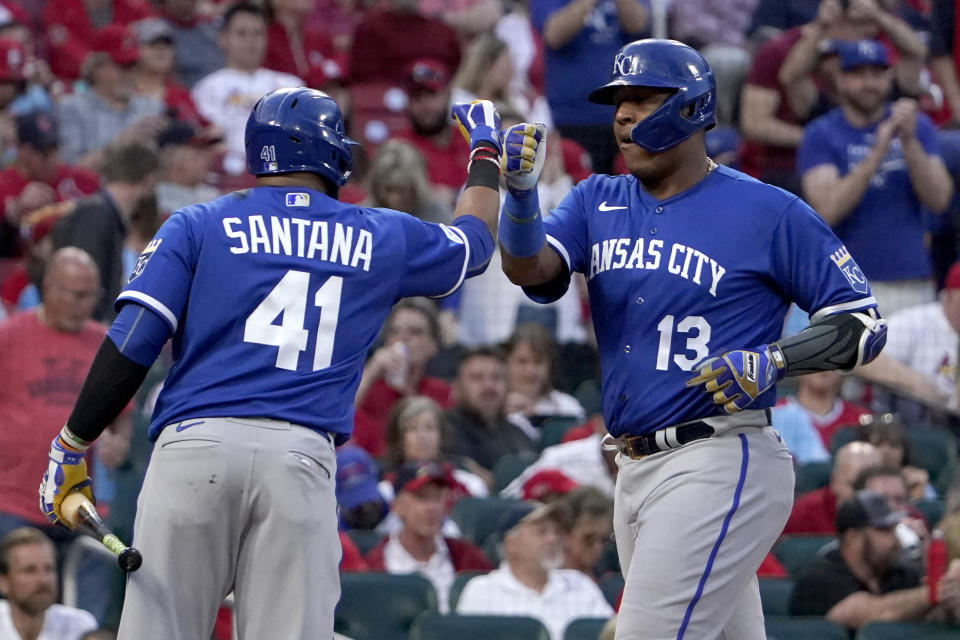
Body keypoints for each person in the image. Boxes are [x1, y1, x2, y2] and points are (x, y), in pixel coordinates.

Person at [36, 88, 520, 639]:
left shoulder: (197, 222)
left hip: (195, 450)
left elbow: (134, 340)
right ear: (335, 155)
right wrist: (484, 152)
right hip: (299, 459)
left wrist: (74, 441)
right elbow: (474, 245)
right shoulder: (381, 231)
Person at [496, 38, 888, 639]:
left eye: (642, 98)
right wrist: (520, 198)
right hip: (633, 468)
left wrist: (775, 360)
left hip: (718, 459)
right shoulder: (596, 198)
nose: (623, 114)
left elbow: (863, 322)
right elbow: (530, 270)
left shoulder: (766, 210)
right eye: (618, 101)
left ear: (689, 108)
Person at [798, 39, 953, 317]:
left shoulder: (917, 126)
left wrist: (909, 142)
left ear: (889, 77)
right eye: (858, 74)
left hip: (912, 281)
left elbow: (940, 199)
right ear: (841, 79)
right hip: (847, 285)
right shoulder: (819, 134)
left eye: (877, 73)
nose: (869, 83)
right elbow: (826, 211)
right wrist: (878, 150)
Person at [788, 489, 960, 629]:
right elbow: (868, 614)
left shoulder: (899, 574)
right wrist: (936, 592)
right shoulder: (819, 577)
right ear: (854, 537)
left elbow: (930, 617)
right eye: (884, 531)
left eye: (894, 530)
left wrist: (952, 597)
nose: (895, 540)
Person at [456, 501, 613, 640]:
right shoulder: (482, 591)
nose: (552, 539)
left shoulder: (581, 585)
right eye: (542, 532)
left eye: (556, 531)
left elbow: (612, 634)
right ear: (511, 543)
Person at [50, 142, 160, 322]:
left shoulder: (106, 215)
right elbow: (80, 286)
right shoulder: (96, 214)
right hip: (81, 334)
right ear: (149, 179)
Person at [363, 461, 492, 613]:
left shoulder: (469, 557)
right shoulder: (374, 565)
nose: (432, 508)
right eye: (421, 498)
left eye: (437, 498)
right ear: (396, 505)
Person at [191, 2, 302, 176]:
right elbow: (209, 139)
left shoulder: (290, 85)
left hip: (282, 173)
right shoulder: (207, 88)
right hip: (229, 174)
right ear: (223, 39)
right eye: (242, 34)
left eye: (257, 34)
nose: (251, 42)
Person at [55, 24, 168, 169]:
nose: (130, 74)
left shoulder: (152, 107)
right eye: (123, 66)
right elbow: (71, 173)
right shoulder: (71, 108)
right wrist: (121, 143)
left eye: (134, 65)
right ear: (97, 67)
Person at [352, 298, 454, 459]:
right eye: (395, 331)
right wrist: (372, 370)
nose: (403, 338)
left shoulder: (441, 392)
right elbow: (337, 415)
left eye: (415, 332)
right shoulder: (368, 387)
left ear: (433, 345)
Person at [857, 261, 960, 410]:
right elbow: (864, 358)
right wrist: (920, 385)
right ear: (949, 295)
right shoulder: (916, 322)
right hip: (906, 424)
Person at [0, 111, 100, 259]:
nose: (53, 159)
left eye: (55, 148)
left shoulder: (82, 179)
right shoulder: (4, 187)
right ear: (21, 150)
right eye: (44, 153)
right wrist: (13, 216)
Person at [443, 346, 536, 471]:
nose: (488, 385)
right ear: (456, 388)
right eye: (477, 377)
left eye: (496, 377)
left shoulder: (517, 433)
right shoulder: (443, 430)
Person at [0, 527, 98, 640]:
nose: (43, 580)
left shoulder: (79, 626)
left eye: (49, 569)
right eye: (29, 570)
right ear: (3, 582)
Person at [381, 395, 489, 496]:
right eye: (412, 428)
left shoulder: (470, 484)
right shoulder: (386, 492)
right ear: (398, 439)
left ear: (441, 436)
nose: (422, 436)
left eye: (429, 427)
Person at [783, 441, 883, 535]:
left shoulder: (893, 507)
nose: (863, 494)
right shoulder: (803, 514)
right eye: (855, 486)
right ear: (834, 481)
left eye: (871, 487)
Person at [503, 321, 586, 426]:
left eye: (538, 362)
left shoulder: (568, 407)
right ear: (507, 362)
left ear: (549, 364)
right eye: (522, 361)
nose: (530, 370)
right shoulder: (493, 407)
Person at [780, 370, 869, 448]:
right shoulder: (773, 414)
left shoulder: (860, 418)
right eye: (815, 357)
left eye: (833, 357)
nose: (824, 366)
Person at [553, 486, 613, 579]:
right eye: (589, 538)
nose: (598, 547)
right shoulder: (546, 580)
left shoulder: (608, 579)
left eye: (604, 540)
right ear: (565, 534)